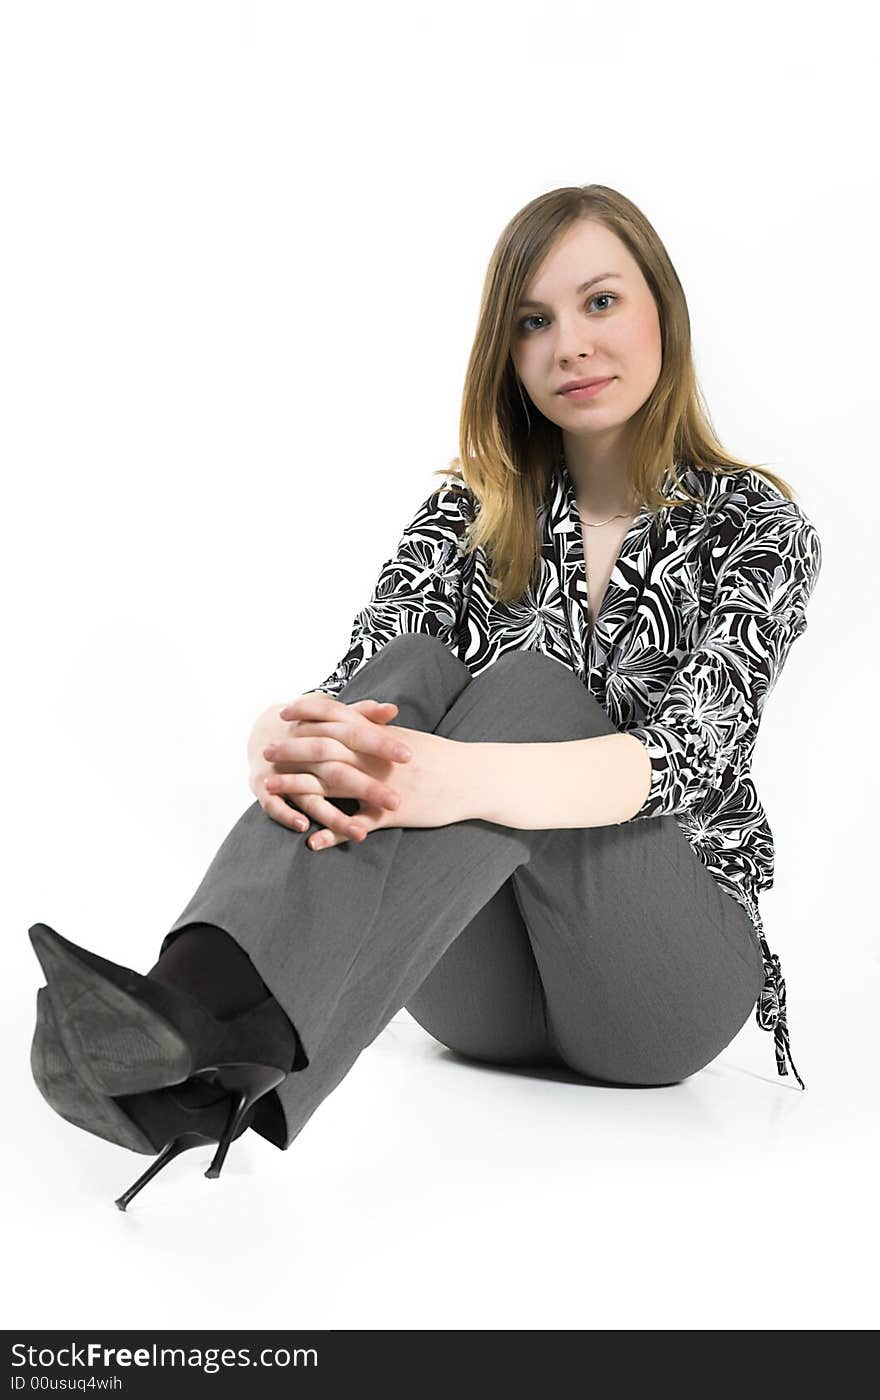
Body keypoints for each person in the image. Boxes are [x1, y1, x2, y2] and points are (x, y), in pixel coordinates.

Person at [28, 184, 822, 1210]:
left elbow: (685, 755)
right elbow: (362, 683)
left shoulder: (755, 523)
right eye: (532, 321)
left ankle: (240, 1029)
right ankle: (199, 1016)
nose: (568, 344)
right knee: (402, 674)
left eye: (598, 303)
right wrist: (281, 734)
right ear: (505, 351)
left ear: (661, 311)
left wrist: (454, 777)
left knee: (532, 681)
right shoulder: (470, 504)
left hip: (653, 987)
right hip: (474, 983)